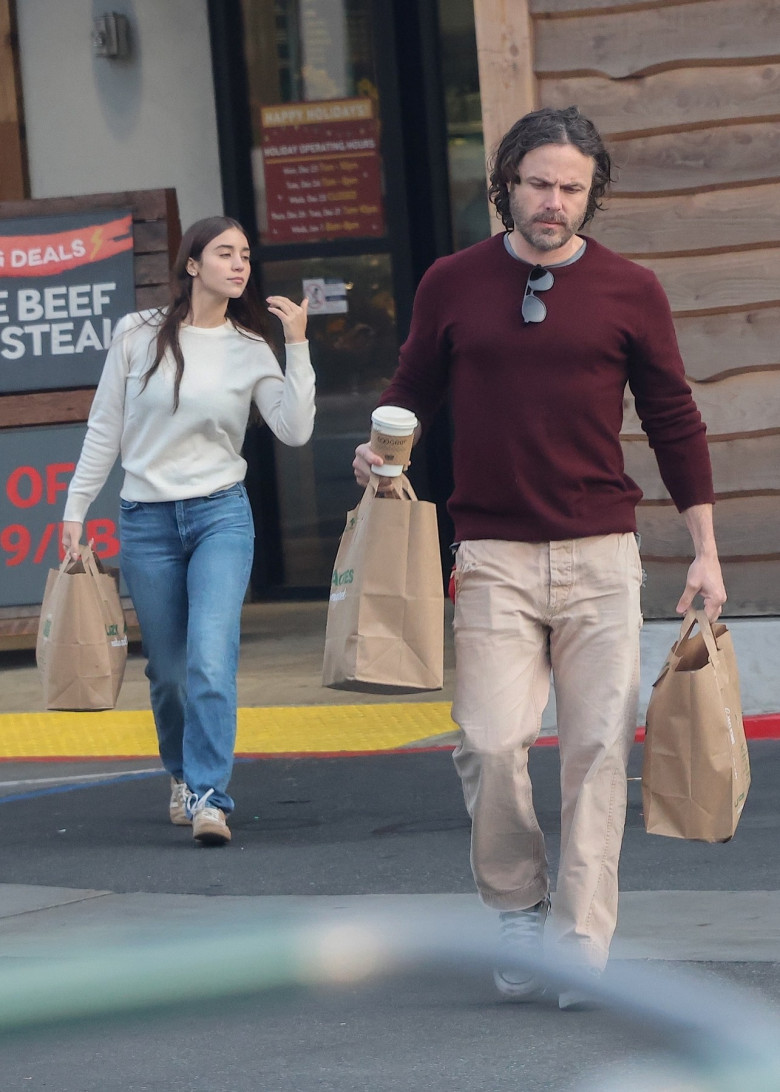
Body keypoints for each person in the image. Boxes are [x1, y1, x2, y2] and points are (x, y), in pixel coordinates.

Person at [353, 107, 726, 1008]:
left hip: (602, 555)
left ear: (592, 196)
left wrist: (706, 551)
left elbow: (674, 419)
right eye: (538, 183)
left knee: (596, 749)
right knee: (488, 742)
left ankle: (577, 944)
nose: (553, 201)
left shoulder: (631, 289)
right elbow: (412, 391)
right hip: (490, 554)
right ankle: (517, 902)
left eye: (571, 187)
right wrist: (375, 454)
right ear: (506, 184)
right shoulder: (452, 282)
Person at [62, 215, 315, 847]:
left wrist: (299, 346)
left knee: (210, 659)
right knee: (169, 673)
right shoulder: (137, 334)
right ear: (192, 265)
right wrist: (75, 510)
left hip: (220, 515)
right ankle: (180, 775)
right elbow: (104, 428)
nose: (239, 265)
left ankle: (209, 797)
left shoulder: (250, 346)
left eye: (246, 255)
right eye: (225, 253)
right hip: (146, 520)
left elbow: (295, 429)